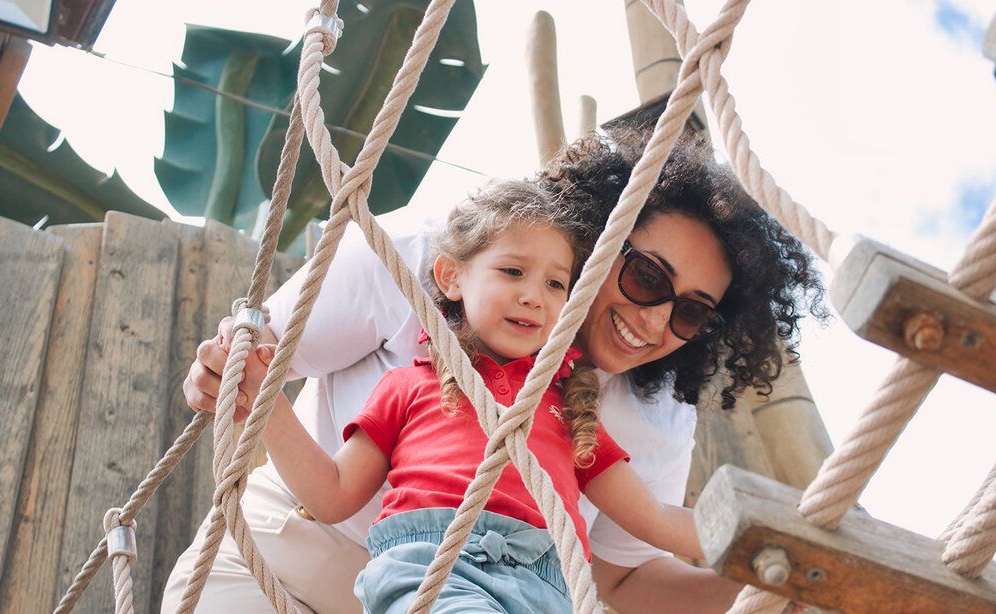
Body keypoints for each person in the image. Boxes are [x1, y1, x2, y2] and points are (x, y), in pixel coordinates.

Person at [163, 124, 826, 614]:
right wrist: (223, 376)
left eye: (692, 314)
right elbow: (256, 358)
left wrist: (763, 578)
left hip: (500, 596)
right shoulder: (430, 263)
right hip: (289, 565)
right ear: (593, 241)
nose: (656, 321)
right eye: (646, 276)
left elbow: (621, 575)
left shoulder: (636, 412)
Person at [231, 180, 706, 612]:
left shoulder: (572, 413)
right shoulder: (410, 387)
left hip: (549, 586)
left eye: (555, 283)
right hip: (431, 568)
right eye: (513, 271)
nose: (533, 296)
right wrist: (264, 402)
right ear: (451, 277)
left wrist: (769, 542)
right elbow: (333, 495)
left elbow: (656, 520)